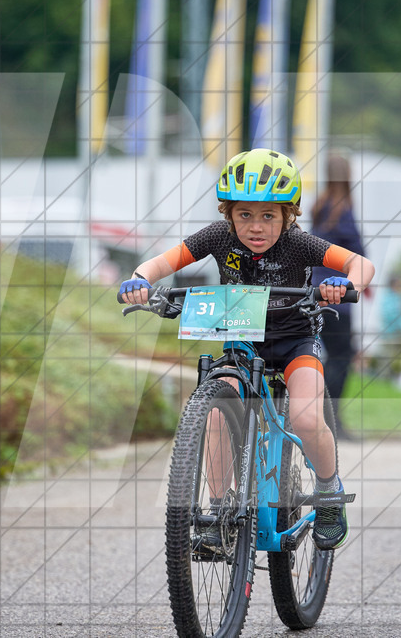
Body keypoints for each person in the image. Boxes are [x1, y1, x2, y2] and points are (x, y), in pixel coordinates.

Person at [118, 148, 375, 551]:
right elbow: (160, 264)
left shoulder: (298, 243)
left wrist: (345, 284)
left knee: (306, 418)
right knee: (216, 415)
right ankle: (218, 511)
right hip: (241, 341)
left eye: (268, 215)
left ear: (288, 215)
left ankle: (329, 493)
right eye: (244, 214)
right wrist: (139, 280)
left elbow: (360, 264)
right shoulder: (217, 237)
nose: (256, 226)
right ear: (228, 213)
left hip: (295, 342)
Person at [310, 151, 366, 438]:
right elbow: (357, 252)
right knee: (342, 357)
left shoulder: (319, 207)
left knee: (325, 356)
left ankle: (321, 415)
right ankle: (331, 420)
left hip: (314, 291)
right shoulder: (343, 211)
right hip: (338, 297)